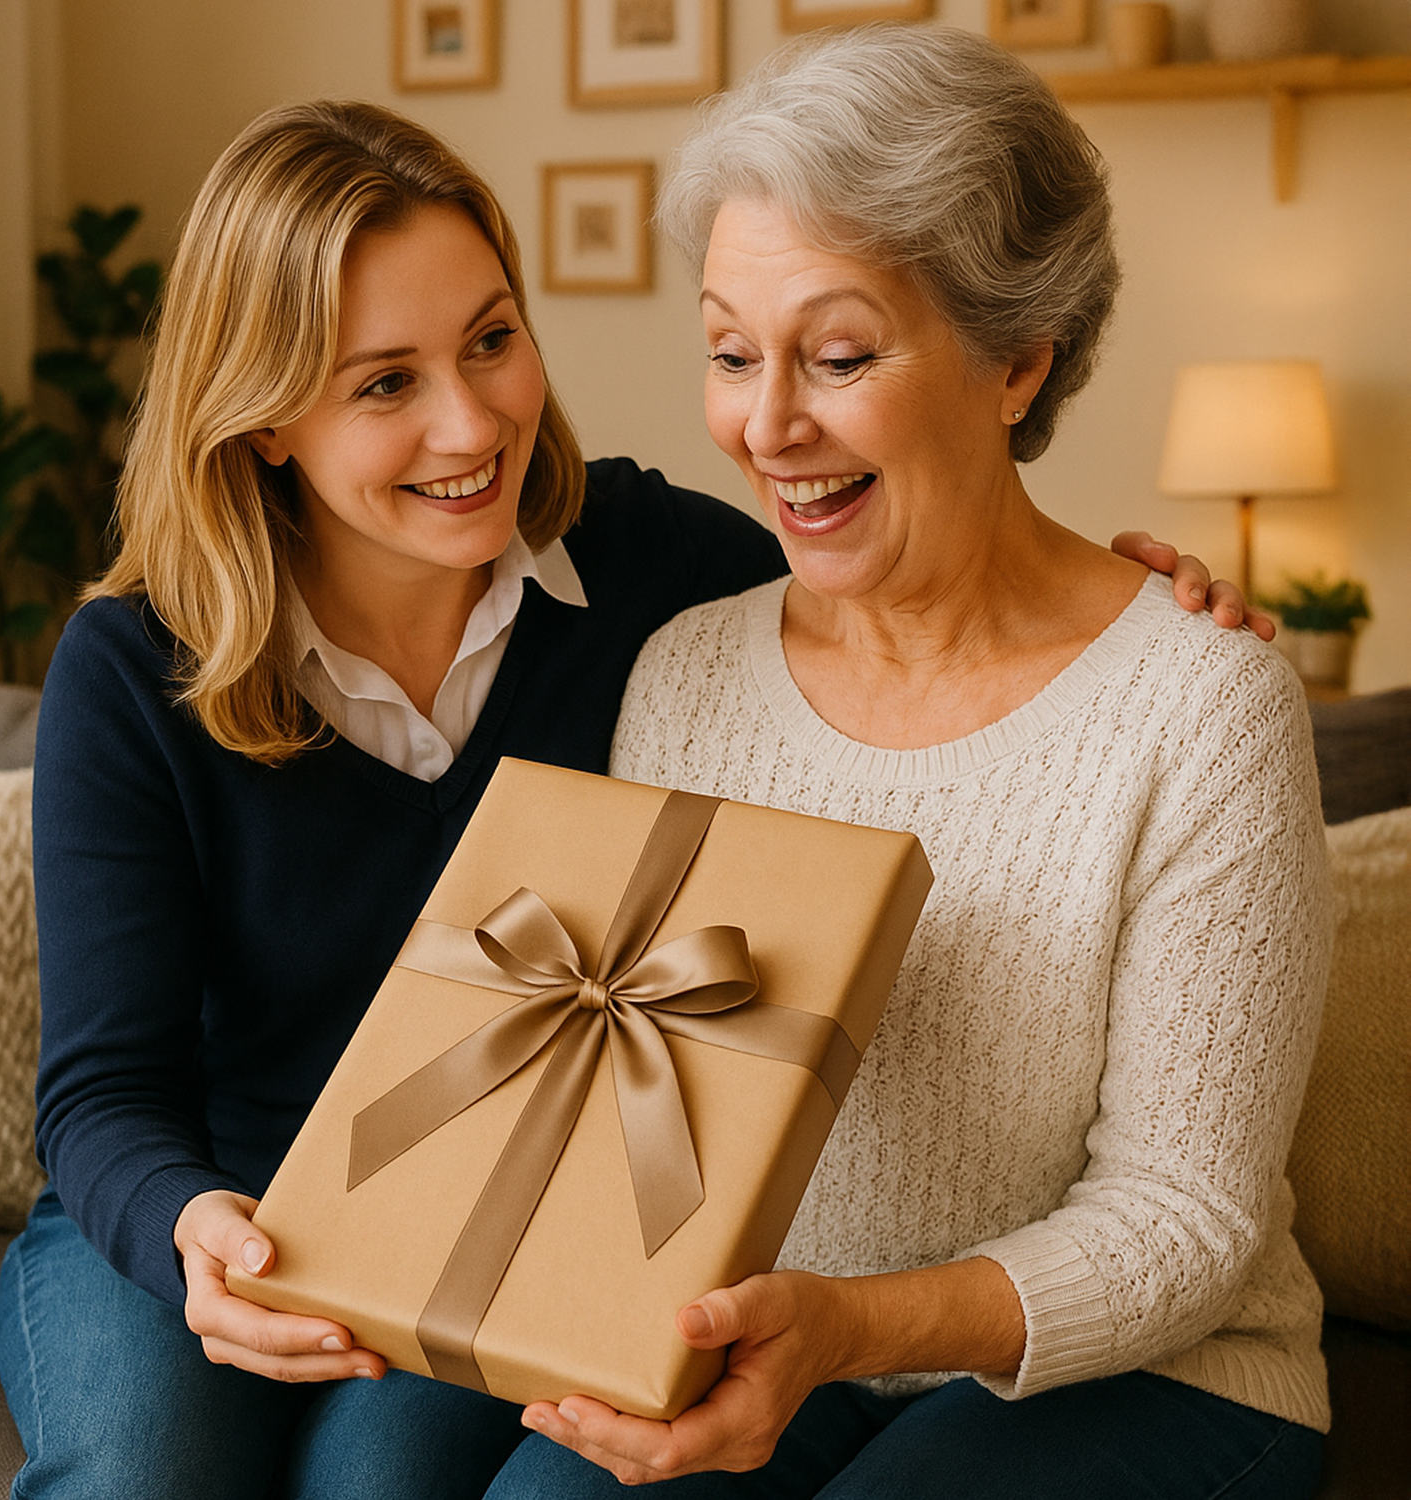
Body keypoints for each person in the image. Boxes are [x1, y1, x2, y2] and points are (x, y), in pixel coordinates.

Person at [0, 93, 1257, 1499]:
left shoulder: (656, 582)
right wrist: (191, 1235)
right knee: (137, 1471)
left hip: (494, 1217)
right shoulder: (140, 663)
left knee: (386, 1478)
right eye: (383, 382)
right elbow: (105, 1089)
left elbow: (908, 565)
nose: (472, 423)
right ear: (266, 418)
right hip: (209, 1188)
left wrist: (1145, 605)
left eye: (490, 340)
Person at [503, 24, 1333, 1500]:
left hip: (1157, 1372)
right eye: (729, 352)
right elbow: (648, 1117)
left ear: (1020, 357)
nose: (767, 428)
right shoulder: (687, 676)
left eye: (837, 355)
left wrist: (848, 1327)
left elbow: (1186, 1223)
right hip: (783, 1346)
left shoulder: (1205, 703)